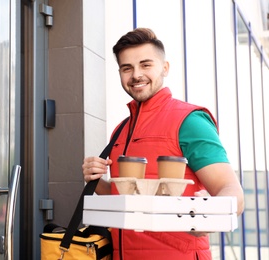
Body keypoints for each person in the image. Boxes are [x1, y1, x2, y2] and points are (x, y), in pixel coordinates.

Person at [82, 28, 244, 259]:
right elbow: (128, 201)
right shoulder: (121, 130)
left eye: (146, 64)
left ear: (164, 68)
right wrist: (97, 182)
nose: (136, 75)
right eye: (127, 68)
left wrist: (208, 213)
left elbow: (232, 193)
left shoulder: (189, 121)